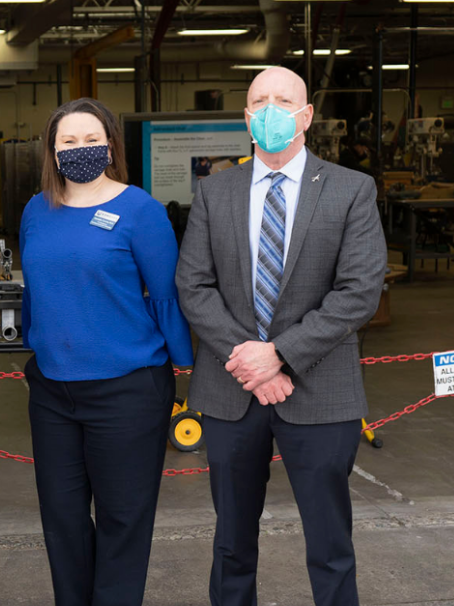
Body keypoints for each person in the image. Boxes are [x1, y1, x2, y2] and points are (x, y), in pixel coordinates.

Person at [176, 66, 386, 606]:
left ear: (307, 115)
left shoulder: (350, 189)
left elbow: (359, 290)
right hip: (231, 390)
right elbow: (193, 285)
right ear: (247, 118)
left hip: (320, 392)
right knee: (231, 545)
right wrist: (249, 360)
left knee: (331, 543)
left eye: (283, 100)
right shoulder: (213, 191)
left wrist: (281, 356)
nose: (270, 109)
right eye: (259, 101)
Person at [19, 97, 195, 606]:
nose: (80, 149)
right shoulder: (37, 209)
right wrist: (38, 341)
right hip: (52, 391)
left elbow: (164, 294)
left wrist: (183, 362)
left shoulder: (139, 210)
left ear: (110, 146)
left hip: (128, 392)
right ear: (52, 152)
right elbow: (35, 289)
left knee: (122, 521)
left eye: (91, 139)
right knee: (63, 520)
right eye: (68, 141)